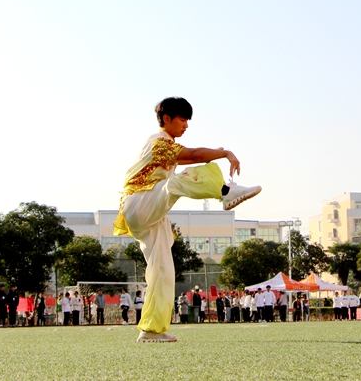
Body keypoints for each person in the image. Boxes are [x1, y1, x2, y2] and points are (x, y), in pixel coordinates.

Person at [112, 97, 262, 343]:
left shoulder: (167, 147)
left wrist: (216, 155)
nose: (186, 125)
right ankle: (225, 193)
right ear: (167, 119)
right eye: (182, 119)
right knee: (177, 181)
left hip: (150, 215)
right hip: (138, 203)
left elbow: (190, 157)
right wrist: (225, 153)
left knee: (163, 270)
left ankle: (150, 330)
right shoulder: (158, 141)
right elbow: (192, 154)